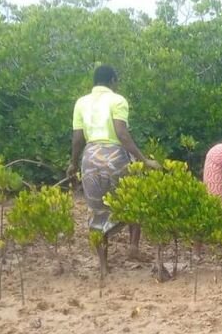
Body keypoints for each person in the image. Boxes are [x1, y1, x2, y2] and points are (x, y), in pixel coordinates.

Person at [66, 65, 157, 259]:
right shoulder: (118, 100)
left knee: (97, 211)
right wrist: (144, 160)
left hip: (90, 158)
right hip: (115, 157)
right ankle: (133, 246)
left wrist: (73, 164)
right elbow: (122, 134)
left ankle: (103, 267)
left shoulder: (81, 103)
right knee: (133, 200)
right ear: (113, 81)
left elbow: (77, 138)